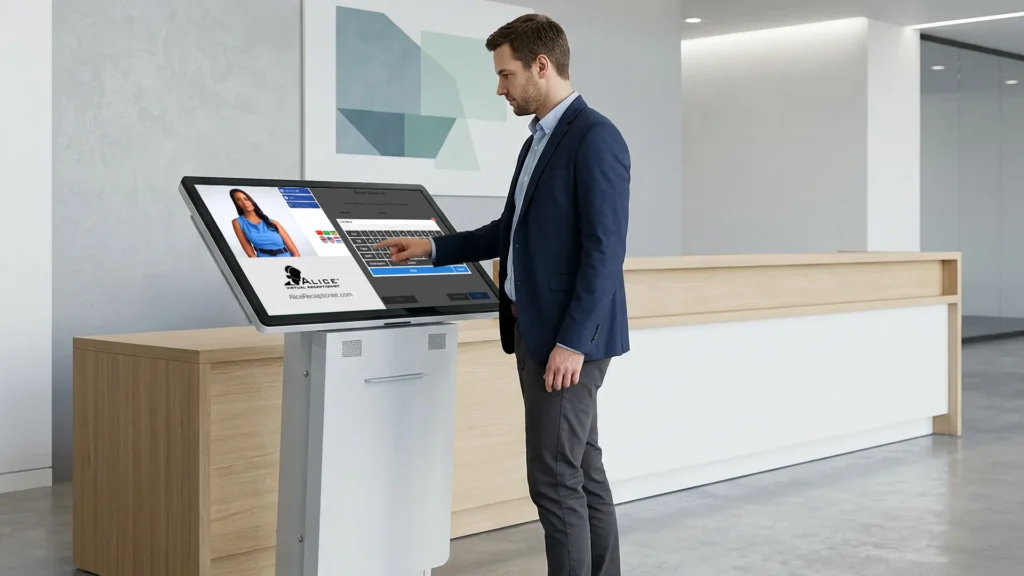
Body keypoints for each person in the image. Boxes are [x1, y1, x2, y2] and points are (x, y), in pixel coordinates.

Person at [375, 13, 629, 576]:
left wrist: (572, 343)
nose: (499, 88)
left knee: (555, 480)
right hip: (539, 331)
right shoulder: (537, 141)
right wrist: (432, 247)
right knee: (580, 470)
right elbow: (508, 229)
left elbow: (605, 252)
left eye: (506, 74)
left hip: (565, 342)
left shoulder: (595, 137)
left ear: (542, 66)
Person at [229, 188, 300, 258]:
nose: (244, 202)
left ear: (251, 200)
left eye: (246, 199)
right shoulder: (237, 222)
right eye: (238, 200)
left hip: (286, 260)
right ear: (236, 203)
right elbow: (250, 253)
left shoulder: (273, 223)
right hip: (263, 262)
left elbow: (295, 253)